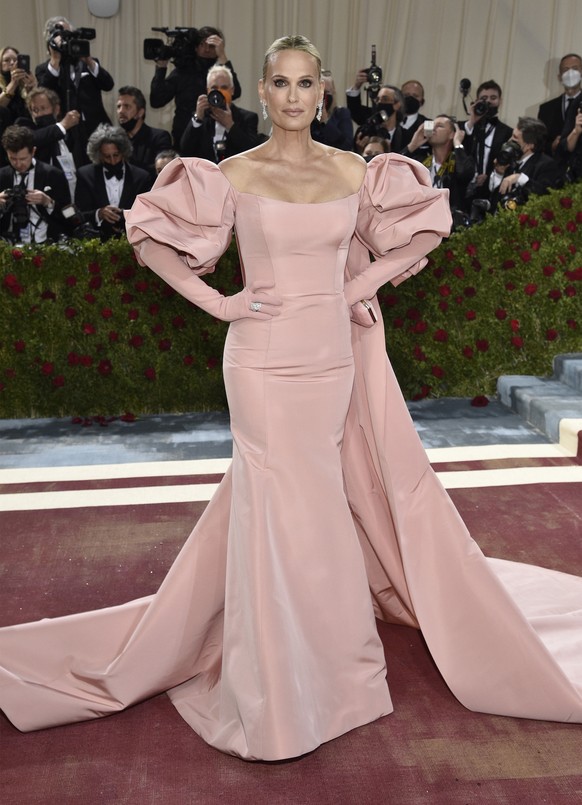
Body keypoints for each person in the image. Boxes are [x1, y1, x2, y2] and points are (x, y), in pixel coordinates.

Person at [0, 35, 581, 764]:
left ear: (323, 92)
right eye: (281, 82)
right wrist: (216, 302)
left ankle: (337, 668)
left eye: (308, 82)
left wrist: (358, 287)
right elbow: (149, 237)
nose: (296, 95)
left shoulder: (356, 170)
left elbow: (427, 224)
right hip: (260, 359)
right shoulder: (232, 173)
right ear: (263, 92)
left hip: (331, 357)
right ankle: (275, 679)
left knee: (321, 504)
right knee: (274, 503)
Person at [35, 16, 115, 166]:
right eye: (62, 35)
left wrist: (89, 61)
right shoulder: (45, 69)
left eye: (69, 34)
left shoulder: (89, 63)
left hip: (96, 128)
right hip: (68, 132)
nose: (67, 38)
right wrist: (55, 60)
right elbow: (44, 92)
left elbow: (108, 84)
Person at [150, 26, 242, 148]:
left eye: (211, 46)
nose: (206, 49)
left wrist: (222, 56)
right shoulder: (182, 72)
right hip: (184, 137)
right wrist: (161, 68)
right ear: (196, 47)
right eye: (202, 44)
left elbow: (235, 93)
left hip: (215, 139)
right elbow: (157, 100)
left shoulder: (219, 75)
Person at [75, 124, 152, 240]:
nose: (112, 161)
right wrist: (99, 214)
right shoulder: (85, 175)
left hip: (132, 242)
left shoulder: (141, 177)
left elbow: (148, 214)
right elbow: (79, 214)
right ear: (99, 155)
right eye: (107, 156)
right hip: (97, 243)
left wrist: (125, 216)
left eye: (116, 155)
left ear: (123, 152)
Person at [0, 124, 70, 242]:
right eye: (12, 158)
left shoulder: (53, 175)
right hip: (7, 245)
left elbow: (69, 214)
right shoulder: (1, 176)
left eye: (23, 159)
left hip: (47, 243)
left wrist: (48, 202)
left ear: (33, 151)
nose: (18, 164)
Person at [179, 65, 260, 161]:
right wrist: (198, 119)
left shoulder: (248, 118)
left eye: (224, 87)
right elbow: (185, 151)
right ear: (208, 91)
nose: (219, 92)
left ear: (232, 90)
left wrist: (230, 126)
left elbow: (251, 152)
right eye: (214, 88)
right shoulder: (200, 118)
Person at [489, 116, 566, 209]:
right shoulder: (509, 158)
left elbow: (544, 194)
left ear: (529, 145)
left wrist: (519, 178)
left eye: (515, 139)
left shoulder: (547, 165)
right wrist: (498, 174)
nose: (509, 141)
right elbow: (493, 196)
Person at [403, 115, 476, 213]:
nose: (433, 128)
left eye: (440, 126)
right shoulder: (420, 160)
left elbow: (464, 173)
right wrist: (412, 146)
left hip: (449, 221)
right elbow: (392, 171)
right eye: (432, 125)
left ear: (452, 135)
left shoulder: (460, 161)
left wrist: (457, 143)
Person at [16, 87, 79, 198]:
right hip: (41, 194)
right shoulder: (25, 126)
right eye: (35, 110)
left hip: (73, 192)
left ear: (56, 110)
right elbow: (33, 139)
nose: (39, 114)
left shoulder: (70, 132)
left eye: (43, 108)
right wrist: (62, 126)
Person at [460, 80, 513, 202]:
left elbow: (507, 163)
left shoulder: (508, 132)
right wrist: (472, 120)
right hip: (464, 190)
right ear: (477, 101)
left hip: (492, 192)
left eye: (493, 98)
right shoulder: (466, 127)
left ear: (500, 101)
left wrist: (489, 176)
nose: (488, 101)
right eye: (484, 98)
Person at [115, 85, 172, 178]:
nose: (121, 111)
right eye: (118, 106)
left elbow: (161, 171)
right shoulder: (116, 140)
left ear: (140, 112)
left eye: (127, 106)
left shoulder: (159, 137)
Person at [538, 53, 582, 154]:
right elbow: (539, 143)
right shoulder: (546, 109)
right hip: (554, 166)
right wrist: (551, 146)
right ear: (559, 77)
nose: (570, 73)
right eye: (565, 70)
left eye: (575, 68)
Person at [310, 69, 353, 150]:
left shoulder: (341, 113)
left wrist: (325, 121)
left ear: (333, 93)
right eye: (320, 92)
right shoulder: (307, 116)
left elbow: (347, 146)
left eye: (327, 92)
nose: (323, 97)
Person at [0, 46, 36, 130]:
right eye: (7, 60)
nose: (12, 62)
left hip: (25, 130)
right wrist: (13, 83)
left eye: (15, 60)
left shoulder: (23, 84)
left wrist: (31, 89)